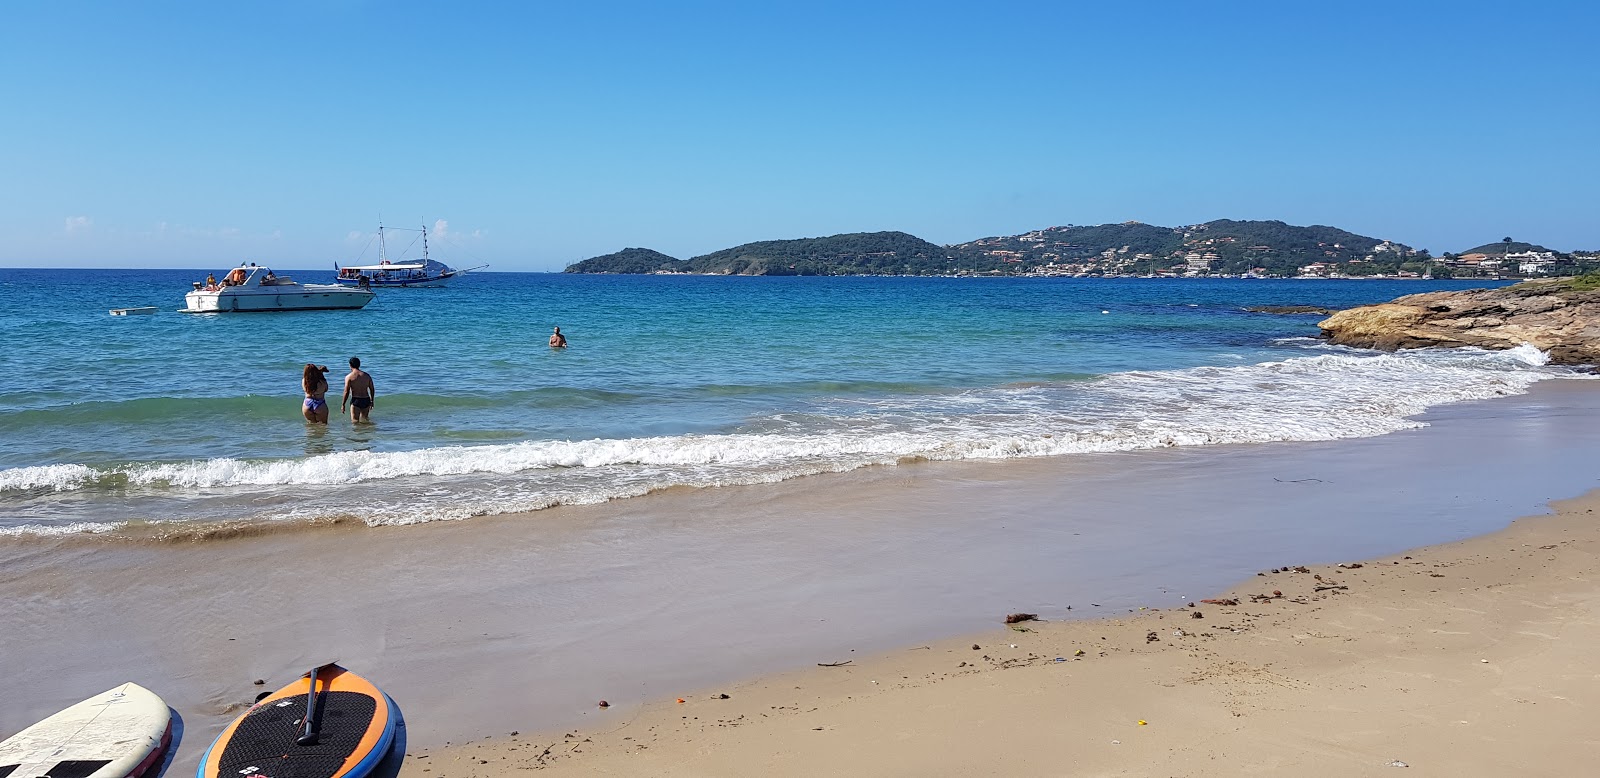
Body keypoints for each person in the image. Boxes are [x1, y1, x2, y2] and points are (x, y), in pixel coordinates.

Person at [341, 356, 376, 423]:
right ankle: (365, 432)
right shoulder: (367, 376)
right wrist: (372, 401)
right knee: (365, 420)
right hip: (366, 399)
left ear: (350, 365)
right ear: (359, 365)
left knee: (355, 422)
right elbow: (372, 389)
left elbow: (346, 391)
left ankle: (357, 433)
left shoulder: (349, 377)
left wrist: (343, 404)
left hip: (356, 400)